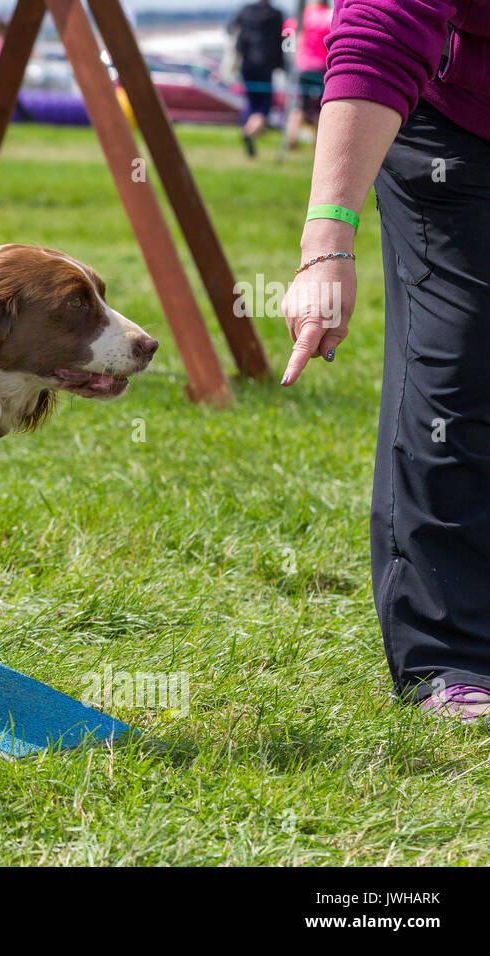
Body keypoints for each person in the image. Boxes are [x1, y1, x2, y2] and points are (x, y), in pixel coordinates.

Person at [279, 0, 490, 722]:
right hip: (456, 130)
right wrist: (328, 243)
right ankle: (452, 657)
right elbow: (384, 26)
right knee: (460, 368)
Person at [230, 0, 286, 156]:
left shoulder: (246, 10)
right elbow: (282, 40)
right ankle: (249, 132)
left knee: (251, 101)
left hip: (247, 64)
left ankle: (249, 130)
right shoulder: (275, 14)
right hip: (266, 65)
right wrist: (283, 66)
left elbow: (231, 28)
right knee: (264, 107)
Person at [282, 1, 331, 149]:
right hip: (322, 67)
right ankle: (318, 143)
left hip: (302, 66)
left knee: (300, 105)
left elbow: (287, 34)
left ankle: (291, 137)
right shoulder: (327, 17)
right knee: (321, 106)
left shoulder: (300, 16)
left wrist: (292, 55)